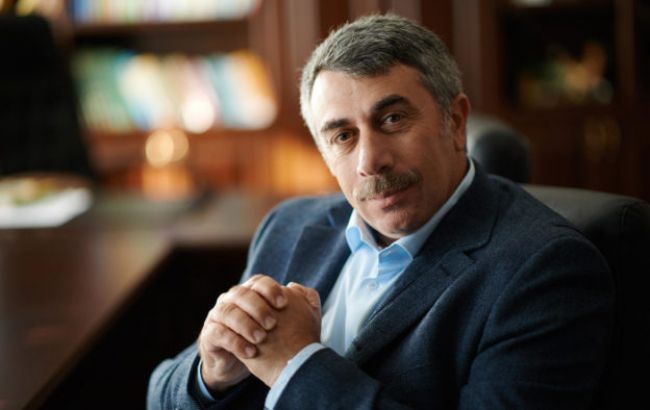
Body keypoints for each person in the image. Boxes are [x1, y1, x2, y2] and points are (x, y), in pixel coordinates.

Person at [147, 14, 613, 409]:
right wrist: (210, 375)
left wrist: (296, 364)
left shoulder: (546, 269)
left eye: (392, 119)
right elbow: (158, 395)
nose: (370, 161)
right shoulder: (288, 226)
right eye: (342, 136)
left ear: (455, 122)